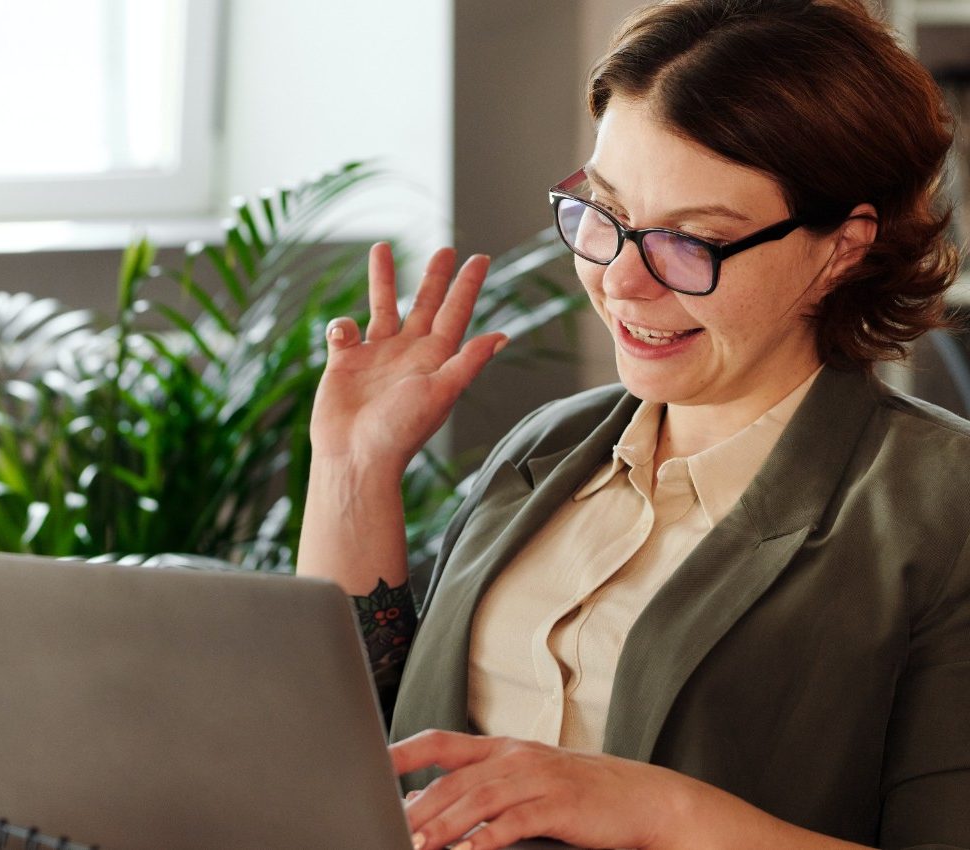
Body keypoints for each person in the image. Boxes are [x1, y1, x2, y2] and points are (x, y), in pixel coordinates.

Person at [297, 0, 969, 848]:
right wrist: (353, 470)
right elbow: (364, 742)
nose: (622, 281)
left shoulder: (941, 509)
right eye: (605, 215)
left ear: (842, 246)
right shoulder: (547, 448)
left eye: (690, 243)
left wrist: (662, 812)